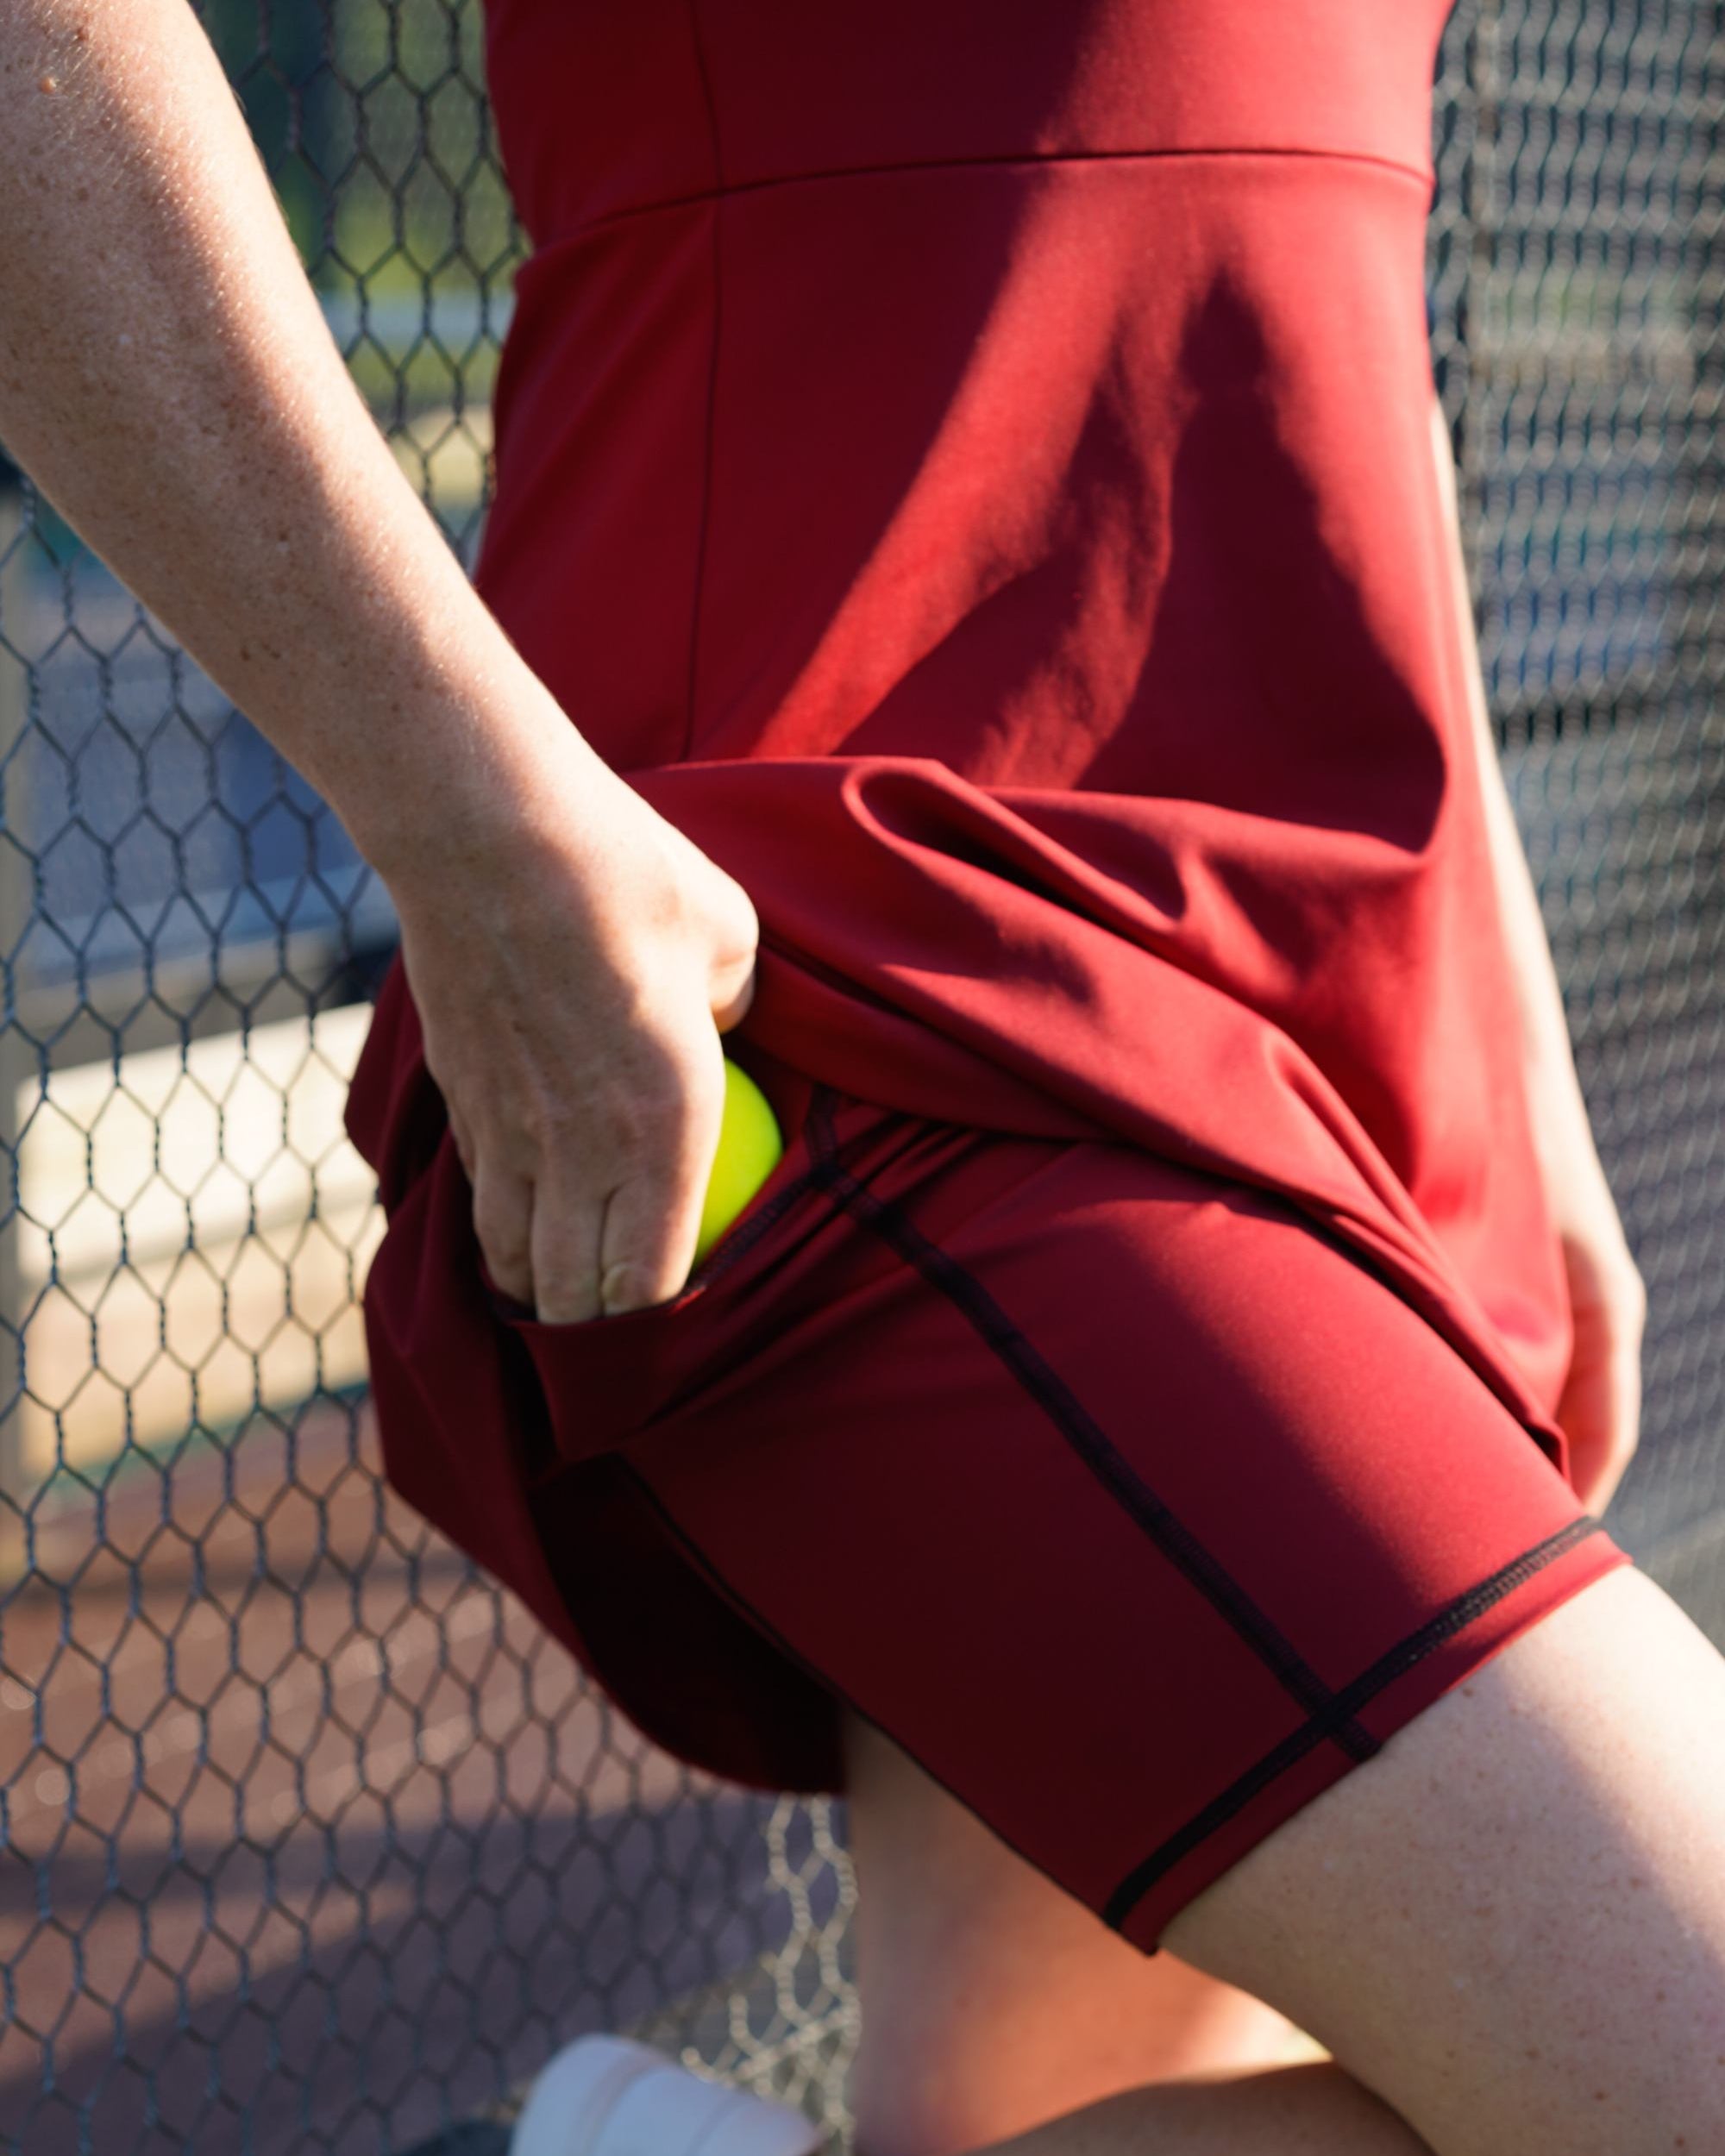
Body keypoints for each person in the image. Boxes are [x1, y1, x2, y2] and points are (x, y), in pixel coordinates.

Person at [2, 4, 1721, 2154]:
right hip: (841, 926)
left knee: (1065, 2101)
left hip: (1345, 972)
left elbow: (1303, 239)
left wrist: (1510, 1031)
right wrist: (462, 808)